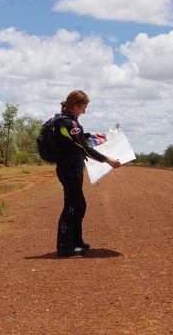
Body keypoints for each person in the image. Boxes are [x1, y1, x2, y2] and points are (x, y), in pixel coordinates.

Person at [53, 90, 121, 257]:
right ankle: (64, 246)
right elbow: (85, 148)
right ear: (75, 106)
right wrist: (107, 159)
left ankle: (75, 241)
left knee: (79, 205)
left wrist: (89, 134)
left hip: (68, 167)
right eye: (83, 108)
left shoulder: (63, 121)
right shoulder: (71, 124)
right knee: (72, 206)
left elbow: (73, 139)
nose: (84, 111)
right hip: (69, 169)